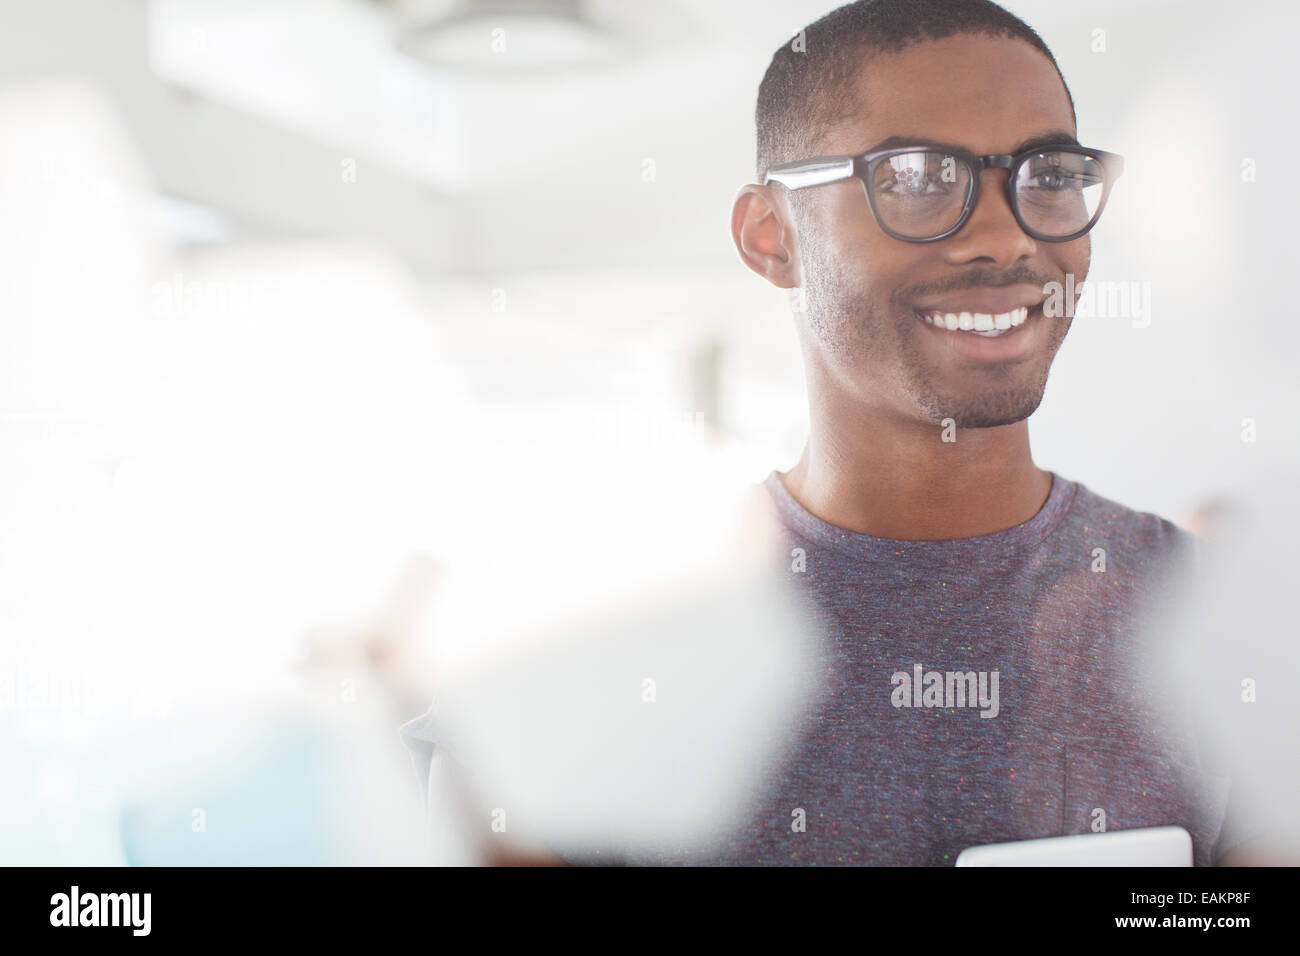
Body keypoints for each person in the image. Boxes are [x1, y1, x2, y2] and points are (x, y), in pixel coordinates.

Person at [401, 0, 1272, 866]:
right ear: (771, 236)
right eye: (918, 178)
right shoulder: (596, 645)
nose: (1007, 236)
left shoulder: (1230, 625)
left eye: (1048, 175)